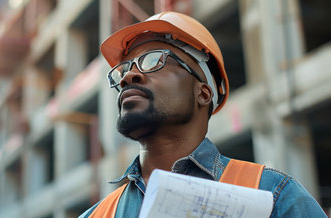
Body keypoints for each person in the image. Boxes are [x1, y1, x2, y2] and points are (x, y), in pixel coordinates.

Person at [80, 11, 326, 217]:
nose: (127, 77)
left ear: (204, 93)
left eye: (153, 60)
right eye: (123, 69)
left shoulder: (274, 196)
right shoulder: (98, 214)